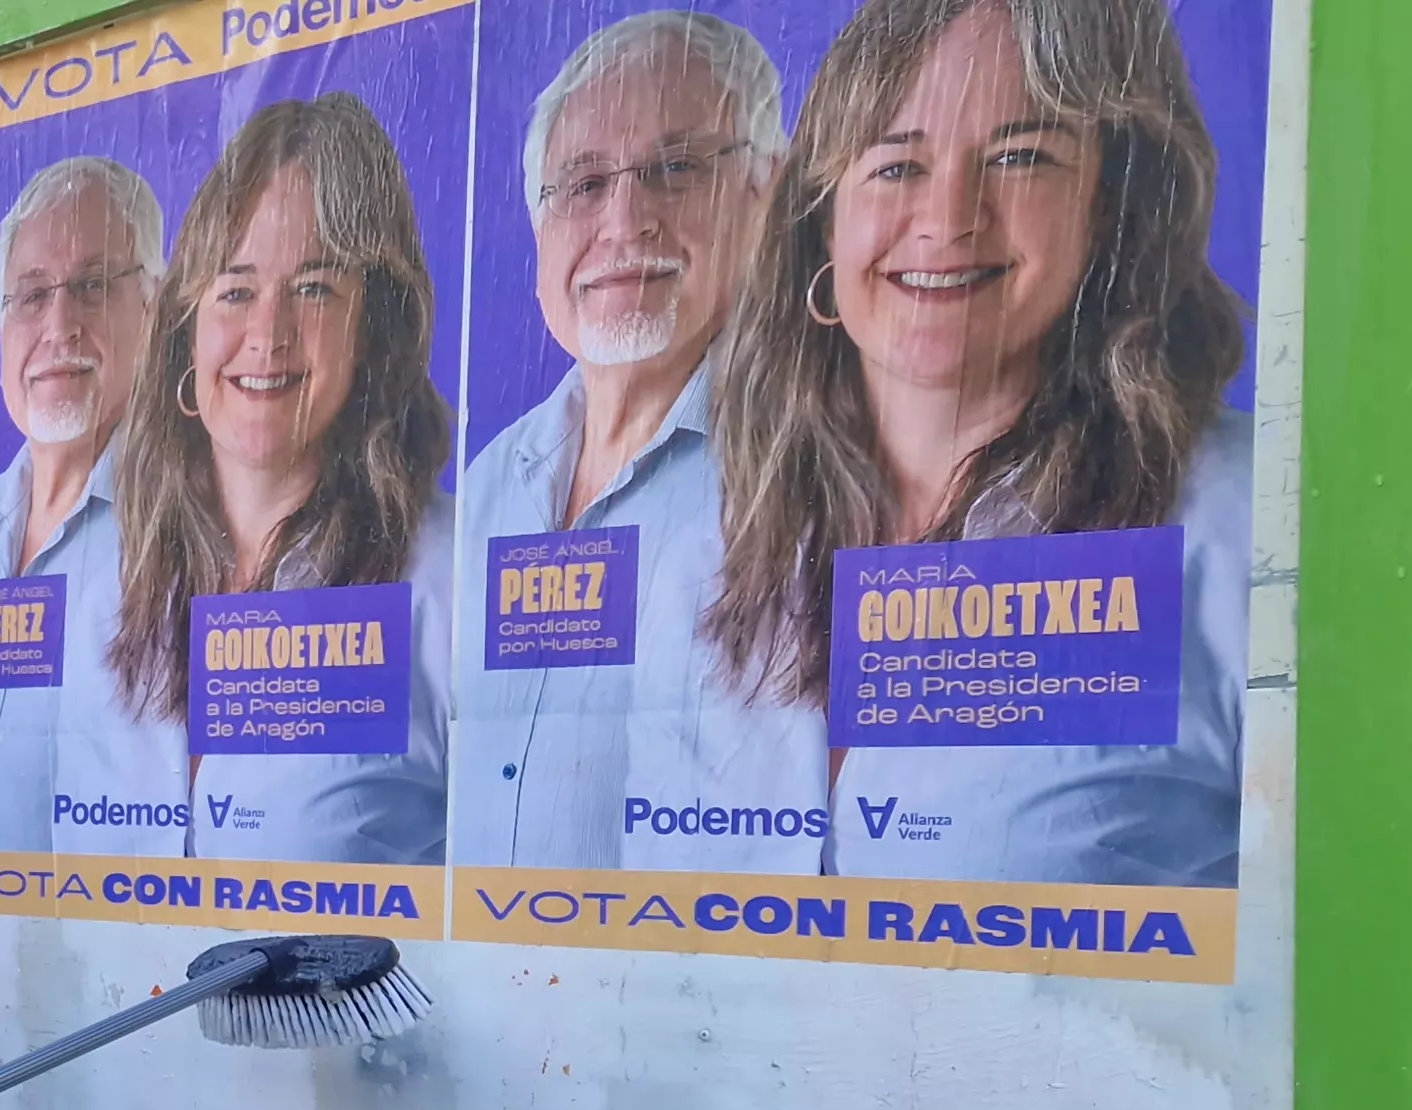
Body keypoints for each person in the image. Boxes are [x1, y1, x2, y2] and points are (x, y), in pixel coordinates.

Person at [707, 0, 1246, 887]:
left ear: (1113, 208)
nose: (949, 219)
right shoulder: (707, 530)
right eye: (895, 164)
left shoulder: (1243, 533)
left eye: (1021, 157)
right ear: (823, 224)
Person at [448, 14, 797, 872]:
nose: (624, 221)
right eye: (583, 183)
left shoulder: (818, 463)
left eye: (675, 170)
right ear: (537, 226)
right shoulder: (493, 483)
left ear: (768, 192)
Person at [108, 93, 454, 867]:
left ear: (374, 328)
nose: (268, 336)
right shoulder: (109, 572)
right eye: (235, 291)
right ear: (185, 335)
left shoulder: (449, 580)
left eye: (315, 289)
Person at [0, 155, 165, 853]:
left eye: (94, 286)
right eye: (31, 296)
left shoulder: (194, 521)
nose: (59, 326)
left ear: (153, 309)